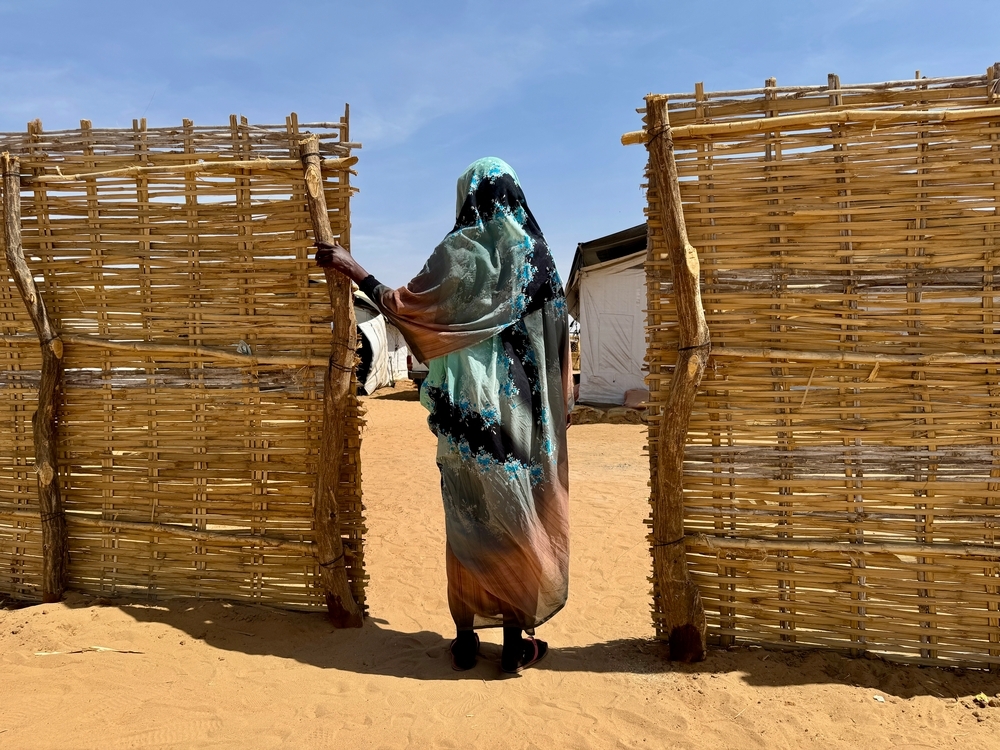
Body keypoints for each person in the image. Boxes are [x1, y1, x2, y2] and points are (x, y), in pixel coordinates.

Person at [316, 157, 572, 674]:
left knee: (468, 520)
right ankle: (514, 645)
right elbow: (559, 349)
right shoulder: (539, 258)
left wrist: (354, 268)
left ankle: (464, 639)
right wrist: (558, 415)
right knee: (516, 521)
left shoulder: (459, 254)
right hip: (522, 424)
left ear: (467, 197)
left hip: (465, 423)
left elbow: (406, 309)